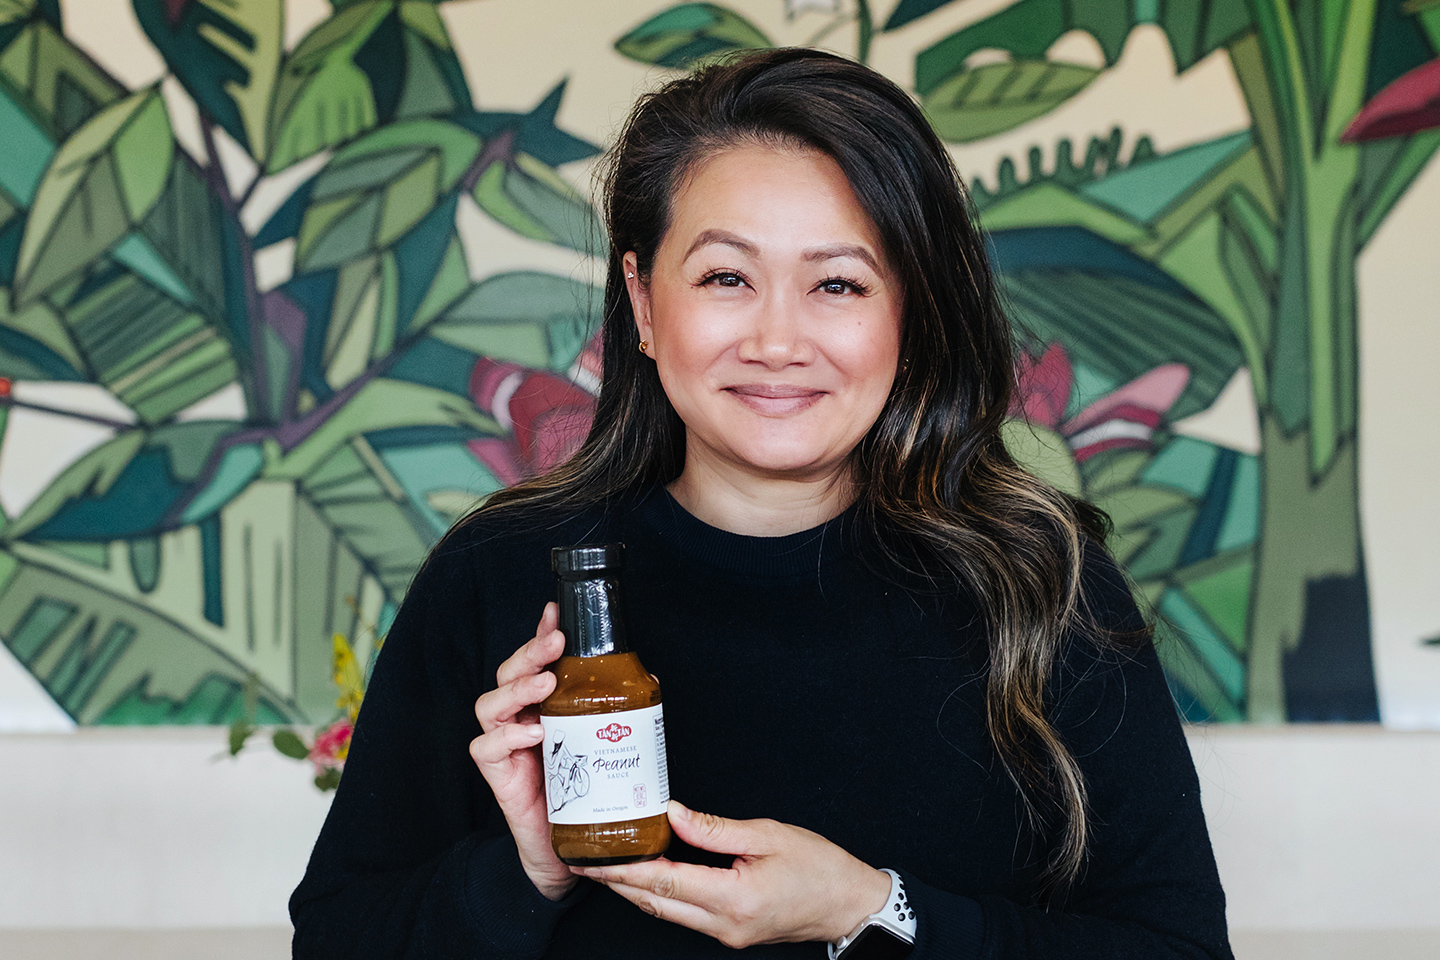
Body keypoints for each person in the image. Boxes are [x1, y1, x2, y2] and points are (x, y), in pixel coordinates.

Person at [290, 48, 1232, 959]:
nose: (779, 341)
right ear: (645, 304)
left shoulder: (1038, 578)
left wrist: (874, 909)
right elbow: (333, 939)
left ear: (911, 311)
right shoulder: (502, 573)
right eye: (726, 278)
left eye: (837, 283)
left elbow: (1178, 948)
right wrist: (527, 868)